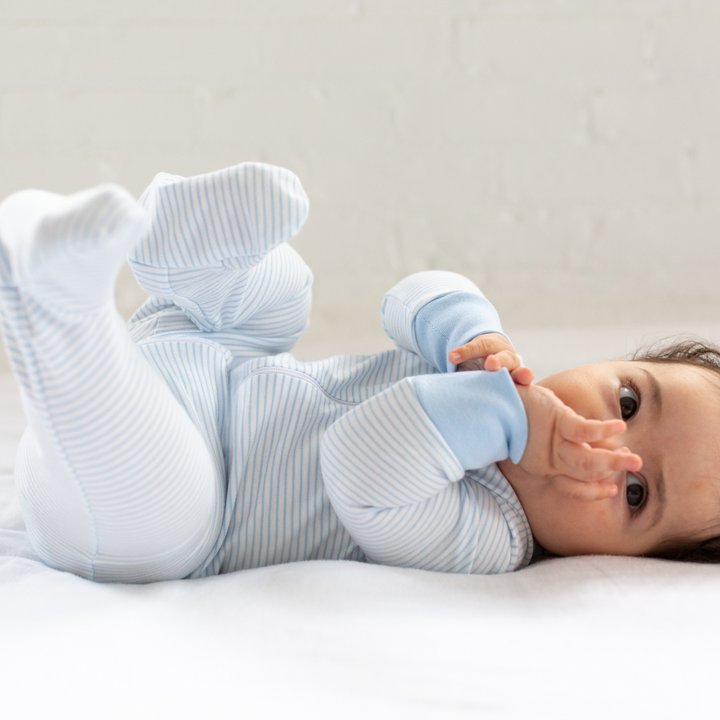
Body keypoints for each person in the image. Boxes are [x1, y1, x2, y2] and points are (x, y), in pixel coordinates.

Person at [0, 162, 716, 584]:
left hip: (195, 501)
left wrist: (507, 418)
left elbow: (359, 462)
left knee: (162, 516)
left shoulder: (490, 536)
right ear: (617, 364)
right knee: (284, 299)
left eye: (633, 491)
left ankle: (56, 291)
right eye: (627, 400)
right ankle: (180, 257)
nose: (600, 441)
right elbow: (408, 297)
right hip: (214, 363)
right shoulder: (500, 369)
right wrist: (469, 329)